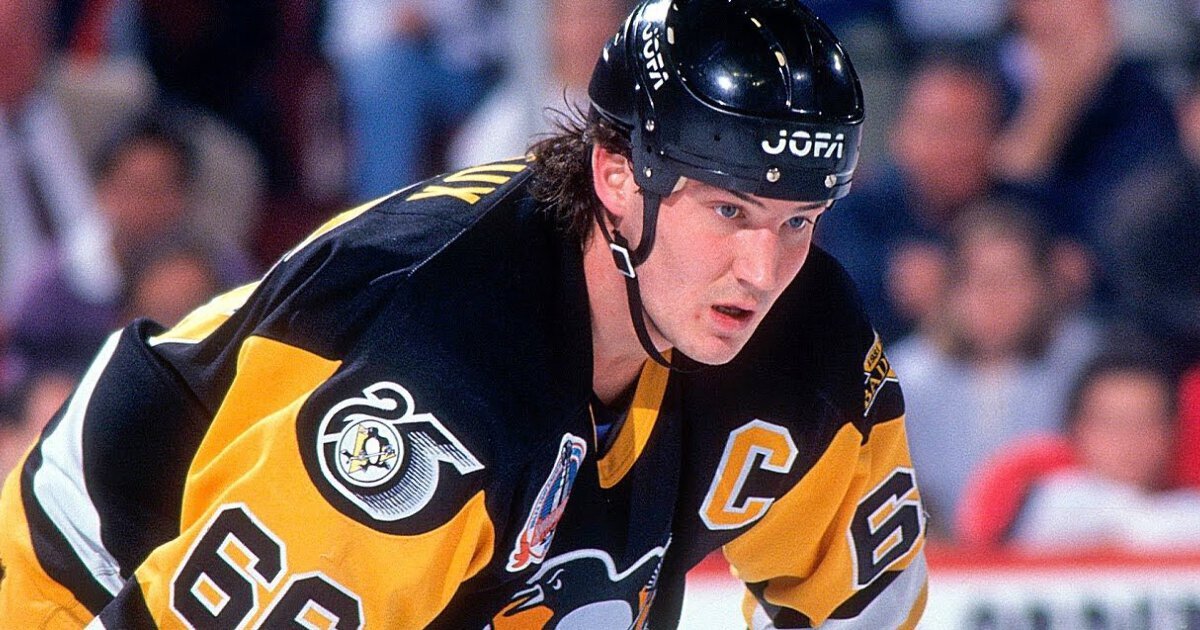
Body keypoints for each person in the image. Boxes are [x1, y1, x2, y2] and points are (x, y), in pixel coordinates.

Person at [0, 1, 928, 627]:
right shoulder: (431, 380)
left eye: (799, 220)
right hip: (97, 575)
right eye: (728, 210)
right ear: (617, 176)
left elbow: (866, 610)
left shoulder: (809, 346)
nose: (764, 271)